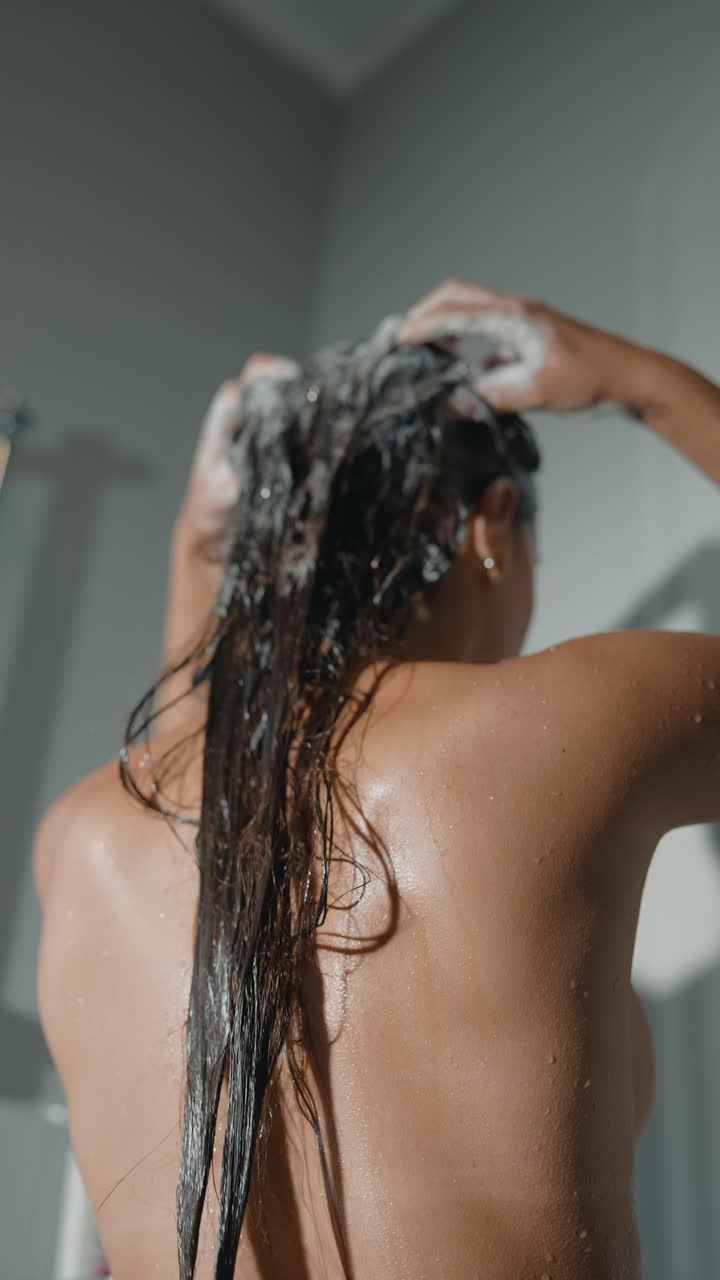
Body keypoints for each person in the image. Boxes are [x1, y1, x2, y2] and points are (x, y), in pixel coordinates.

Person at [33, 279, 720, 1280]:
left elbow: (214, 765)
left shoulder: (85, 835)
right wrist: (645, 386)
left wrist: (202, 539)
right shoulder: (568, 721)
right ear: (492, 526)